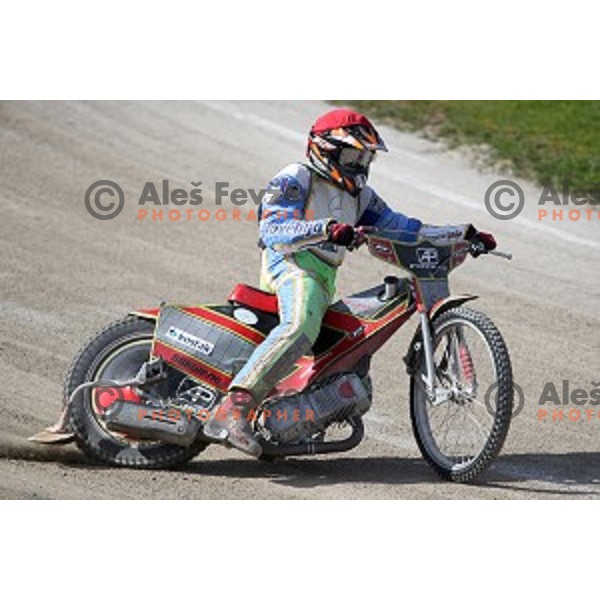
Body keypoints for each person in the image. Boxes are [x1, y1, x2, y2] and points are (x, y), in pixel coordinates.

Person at [204, 108, 496, 456]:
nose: (359, 165)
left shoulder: (361, 197)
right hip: (293, 266)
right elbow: (272, 229)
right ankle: (234, 407)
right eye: (352, 155)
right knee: (300, 327)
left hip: (324, 277)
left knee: (349, 350)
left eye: (365, 157)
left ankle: (296, 417)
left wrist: (463, 234)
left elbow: (405, 228)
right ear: (325, 151)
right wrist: (324, 228)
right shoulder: (296, 177)